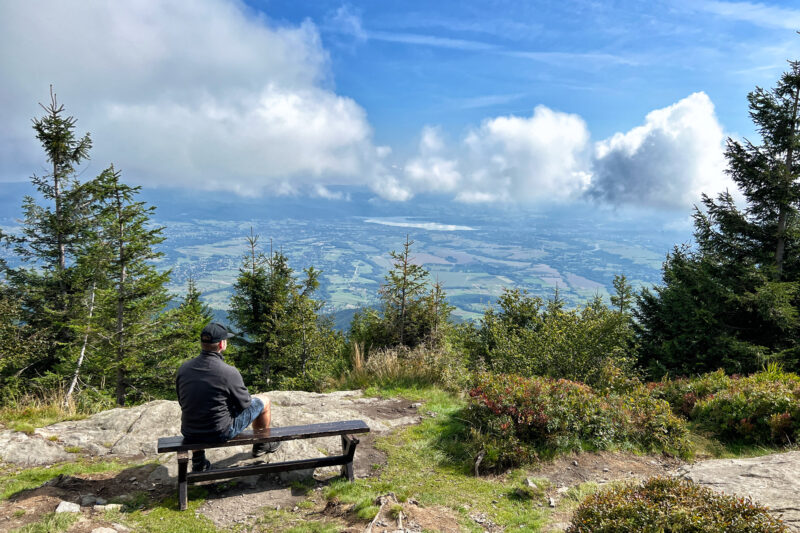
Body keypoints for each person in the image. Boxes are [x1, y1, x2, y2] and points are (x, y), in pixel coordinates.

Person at [176, 322, 280, 472]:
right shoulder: (228, 372)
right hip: (219, 433)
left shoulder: (184, 369)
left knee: (196, 408)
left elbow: (182, 401)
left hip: (190, 430)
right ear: (221, 344)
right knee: (264, 401)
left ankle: (199, 462)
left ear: (202, 343)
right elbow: (245, 403)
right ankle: (262, 444)